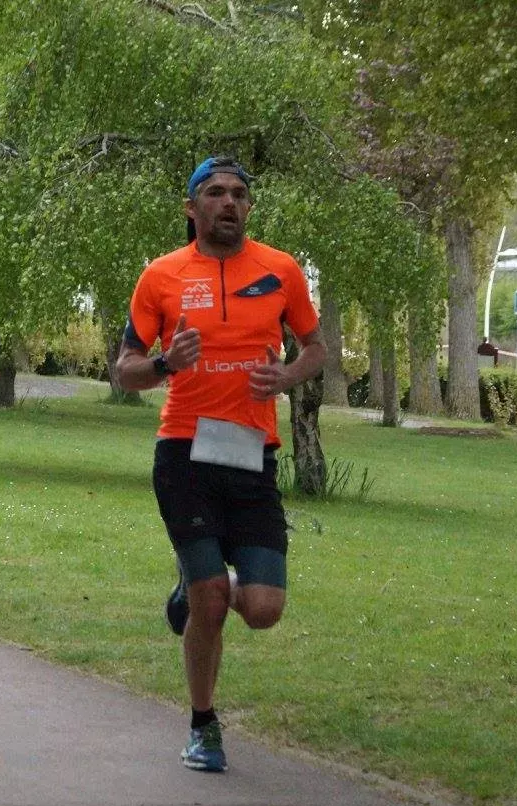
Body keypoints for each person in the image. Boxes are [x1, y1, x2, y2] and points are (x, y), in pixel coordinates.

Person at [115, 156, 326, 773]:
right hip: (184, 452)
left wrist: (287, 376)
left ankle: (196, 581)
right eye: (214, 193)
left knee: (262, 610)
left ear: (249, 207)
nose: (229, 202)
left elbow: (316, 348)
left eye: (239, 193)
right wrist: (165, 364)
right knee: (210, 602)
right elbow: (124, 370)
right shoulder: (161, 276)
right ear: (191, 208)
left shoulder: (281, 270)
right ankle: (203, 727)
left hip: (252, 454)